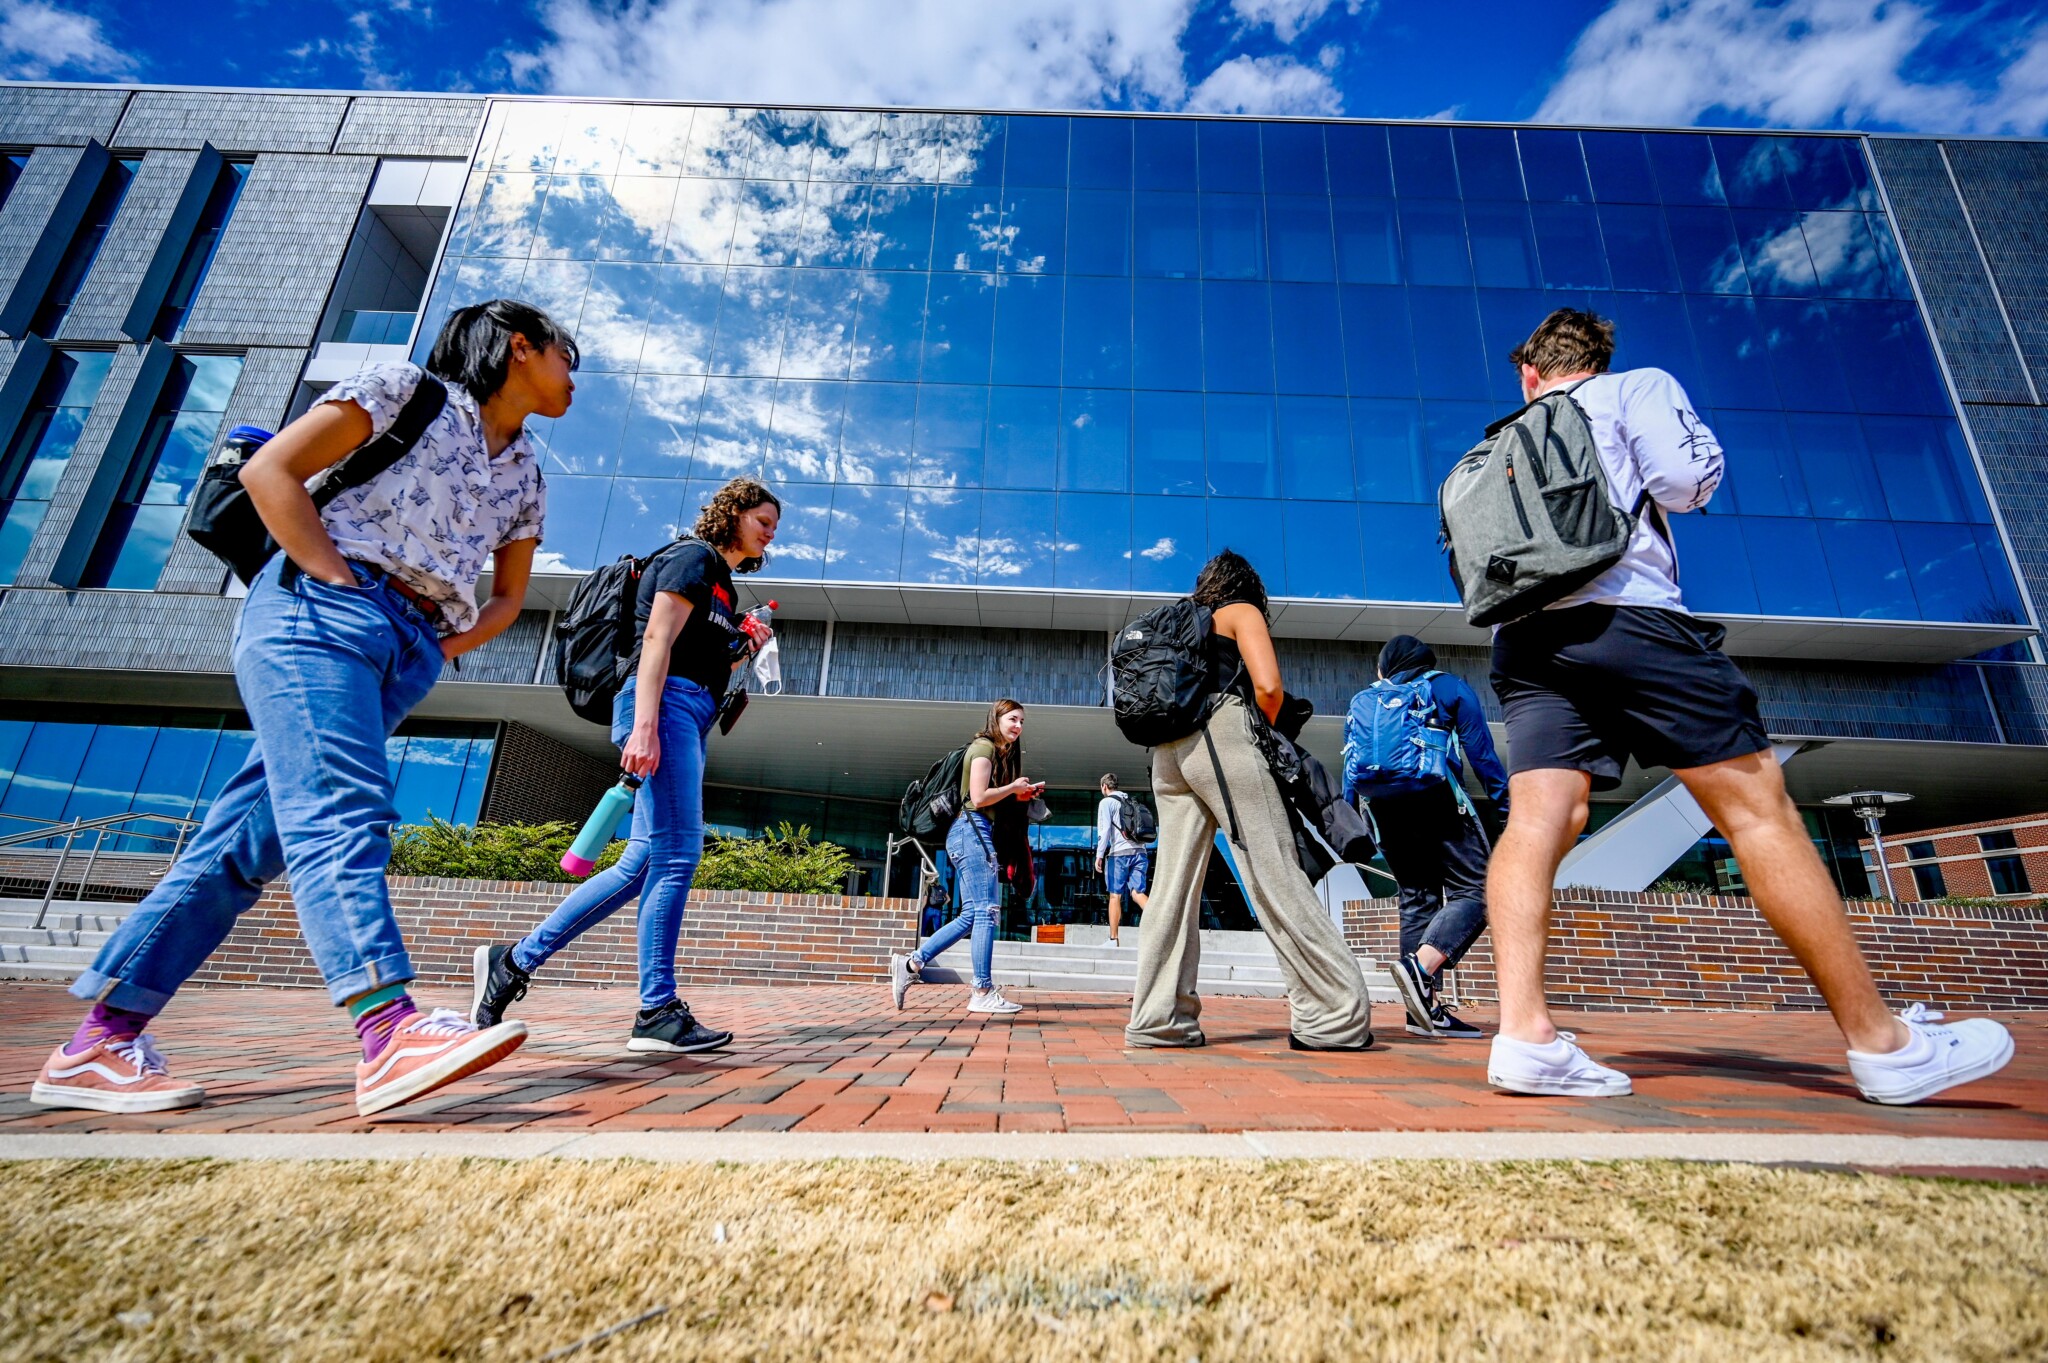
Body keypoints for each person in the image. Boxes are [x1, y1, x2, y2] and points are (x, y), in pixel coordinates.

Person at [31, 299, 573, 1119]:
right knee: (341, 809)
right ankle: (386, 1027)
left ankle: (98, 1043)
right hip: (318, 612)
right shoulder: (406, 389)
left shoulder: (527, 472)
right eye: (570, 357)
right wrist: (333, 580)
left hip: (405, 646)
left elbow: (506, 599)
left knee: (243, 850)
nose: (576, 378)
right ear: (520, 346)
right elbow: (269, 471)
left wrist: (427, 647)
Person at [1484, 308, 2014, 1103]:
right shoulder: (1636, 387)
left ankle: (1523, 1034)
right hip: (1633, 616)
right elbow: (1685, 483)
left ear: (1530, 373)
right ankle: (1883, 1043)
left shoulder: (1505, 436)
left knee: (1537, 820)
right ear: (1597, 358)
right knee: (1757, 813)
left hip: (1526, 640)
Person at [471, 478, 780, 1053]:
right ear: (732, 514)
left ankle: (512, 961)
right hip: (661, 708)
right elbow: (657, 642)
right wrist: (644, 727)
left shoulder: (721, 586)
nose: (770, 532)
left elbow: (700, 654)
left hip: (686, 712)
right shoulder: (692, 558)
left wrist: (741, 646)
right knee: (679, 855)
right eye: (762, 519)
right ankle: (656, 1010)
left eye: (774, 526)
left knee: (642, 863)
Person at [1126, 551, 1375, 1052]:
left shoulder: (1176, 623)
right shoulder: (1240, 611)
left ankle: (1158, 1020)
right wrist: (1266, 735)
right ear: (1247, 585)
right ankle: (1333, 1015)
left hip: (1167, 755)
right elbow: (1268, 687)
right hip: (1222, 739)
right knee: (1274, 869)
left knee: (1172, 889)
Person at [1362, 636, 1507, 1041]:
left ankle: (1422, 1012)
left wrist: (1351, 815)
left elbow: (1353, 766)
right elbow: (1482, 754)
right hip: (1438, 803)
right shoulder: (1448, 687)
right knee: (1481, 889)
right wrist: (1506, 806)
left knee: (1418, 899)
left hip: (1385, 812)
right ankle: (1420, 969)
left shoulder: (1369, 699)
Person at [889, 700, 1039, 1016]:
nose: (1018, 726)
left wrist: (1018, 795)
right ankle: (982, 990)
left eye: (1022, 721)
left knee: (972, 914)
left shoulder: (995, 753)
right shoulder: (983, 748)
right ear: (996, 719)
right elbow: (979, 797)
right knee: (987, 911)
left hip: (969, 832)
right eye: (1012, 719)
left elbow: (986, 799)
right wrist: (1012, 787)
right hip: (972, 832)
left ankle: (911, 963)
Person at [1095, 773, 1150, 946]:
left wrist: (1099, 855)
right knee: (1137, 893)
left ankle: (1114, 939)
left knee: (1115, 896)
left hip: (1119, 854)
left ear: (1104, 787)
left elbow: (1104, 832)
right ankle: (1162, 926)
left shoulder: (1106, 803)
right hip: (1140, 852)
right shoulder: (1130, 800)